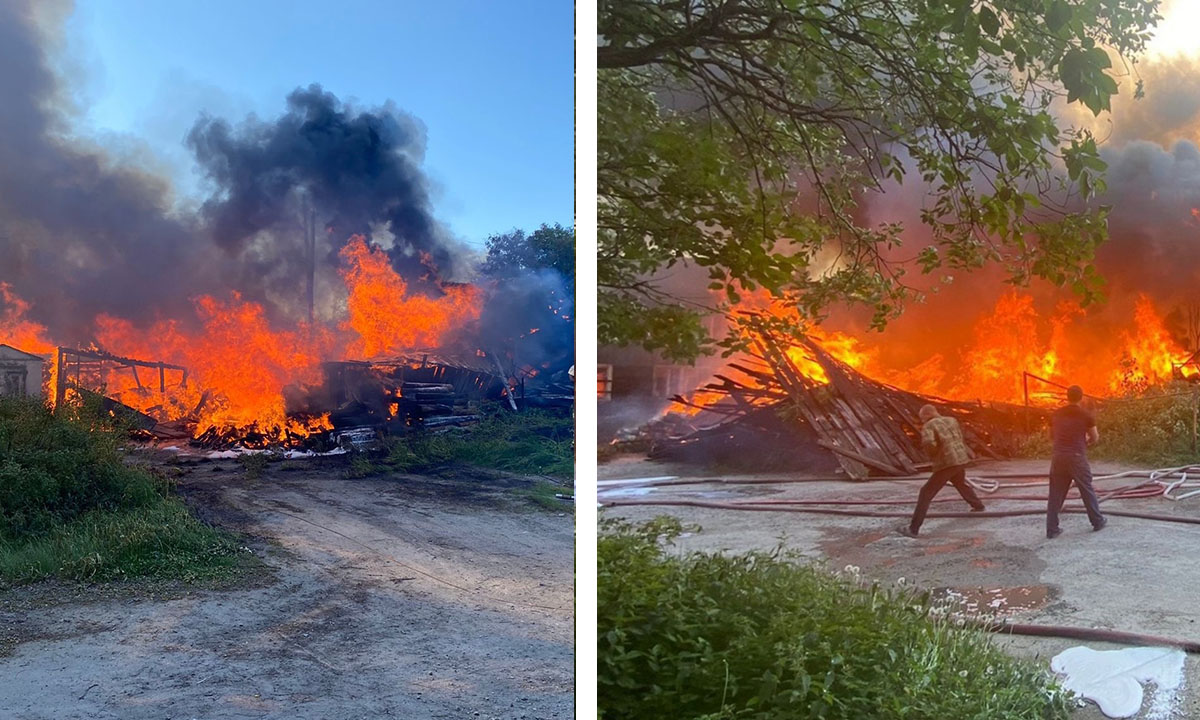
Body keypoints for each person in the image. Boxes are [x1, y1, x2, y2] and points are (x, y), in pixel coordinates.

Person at [898, 404, 985, 538]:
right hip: (960, 459)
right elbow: (959, 438)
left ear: (926, 415)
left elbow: (928, 443)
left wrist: (933, 455)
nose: (922, 421)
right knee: (960, 483)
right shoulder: (952, 420)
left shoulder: (929, 425)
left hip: (946, 462)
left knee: (926, 493)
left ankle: (913, 529)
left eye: (922, 418)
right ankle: (978, 505)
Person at [1046, 385, 1106, 539]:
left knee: (1055, 494)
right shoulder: (1086, 415)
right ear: (1081, 397)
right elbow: (1095, 438)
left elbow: (1052, 436)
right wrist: (1085, 441)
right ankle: (1097, 521)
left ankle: (1052, 529)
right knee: (1086, 489)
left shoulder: (1055, 414)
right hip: (1077, 457)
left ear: (1067, 396)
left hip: (1058, 457)